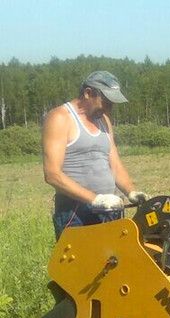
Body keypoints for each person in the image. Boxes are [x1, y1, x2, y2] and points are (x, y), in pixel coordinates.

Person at [42, 70, 148, 240]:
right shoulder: (60, 118)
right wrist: (95, 199)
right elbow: (52, 174)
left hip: (109, 209)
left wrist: (131, 191)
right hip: (74, 212)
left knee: (112, 264)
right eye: (105, 102)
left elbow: (115, 164)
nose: (109, 108)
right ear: (88, 93)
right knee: (80, 265)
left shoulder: (104, 120)